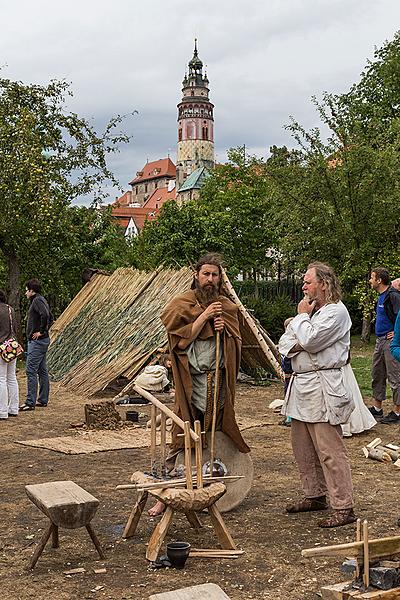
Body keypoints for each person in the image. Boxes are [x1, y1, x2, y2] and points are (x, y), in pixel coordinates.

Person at [148, 253, 250, 516]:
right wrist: (204, 317)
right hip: (191, 382)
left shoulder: (226, 308)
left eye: (215, 275)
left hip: (217, 380)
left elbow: (236, 344)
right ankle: (167, 493)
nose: (210, 280)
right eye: (206, 274)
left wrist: (223, 331)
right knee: (182, 432)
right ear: (196, 275)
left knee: (216, 430)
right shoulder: (182, 304)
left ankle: (213, 485)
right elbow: (179, 343)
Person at [278, 262, 356, 528]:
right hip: (302, 386)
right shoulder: (314, 312)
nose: (303, 286)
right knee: (303, 448)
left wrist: (300, 319)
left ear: (323, 283)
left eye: (308, 282)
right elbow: (285, 344)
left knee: (329, 450)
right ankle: (314, 495)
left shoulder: (336, 312)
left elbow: (310, 341)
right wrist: (301, 332)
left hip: (324, 386)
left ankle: (344, 506)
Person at [369, 267, 400, 423]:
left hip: (391, 343)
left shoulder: (393, 296)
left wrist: (397, 333)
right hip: (380, 341)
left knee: (395, 376)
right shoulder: (381, 297)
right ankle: (377, 408)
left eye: (372, 278)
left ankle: (397, 412)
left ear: (379, 280)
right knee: (377, 374)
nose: (370, 281)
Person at [20, 279, 52, 412]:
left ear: (32, 291)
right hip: (41, 341)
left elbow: (46, 315)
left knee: (31, 370)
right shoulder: (40, 300)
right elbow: (49, 315)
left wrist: (41, 331)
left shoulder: (37, 301)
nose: (25, 292)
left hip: (38, 342)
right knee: (42, 370)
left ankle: (30, 402)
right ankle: (43, 399)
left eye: (27, 290)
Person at [0, 290, 19, 419]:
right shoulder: (10, 309)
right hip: (12, 345)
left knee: (1, 379)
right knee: (11, 378)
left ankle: (2, 411)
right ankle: (13, 408)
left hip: (1, 346)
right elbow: (16, 327)